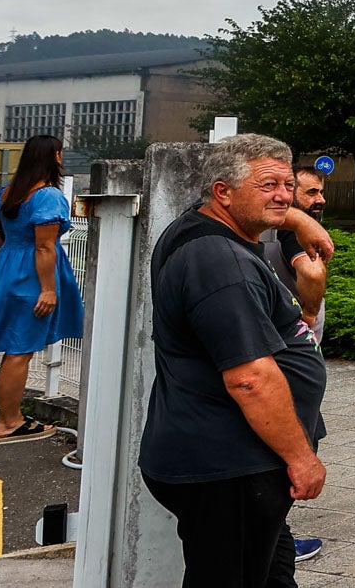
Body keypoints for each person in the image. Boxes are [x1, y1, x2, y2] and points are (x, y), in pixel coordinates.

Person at [140, 134, 329, 588]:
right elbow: (251, 379)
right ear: (223, 192)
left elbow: (263, 200)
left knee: (272, 573)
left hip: (237, 462)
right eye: (269, 185)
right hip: (229, 468)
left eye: (288, 184)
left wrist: (298, 220)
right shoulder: (220, 261)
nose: (283, 194)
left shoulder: (202, 227)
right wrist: (302, 459)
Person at [0, 135, 84, 445]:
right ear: (56, 157)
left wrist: (13, 246)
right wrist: (48, 290)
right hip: (33, 278)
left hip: (8, 272)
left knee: (15, 349)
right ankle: (9, 423)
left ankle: (10, 418)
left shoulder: (10, 192)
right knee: (20, 353)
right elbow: (45, 246)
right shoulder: (48, 196)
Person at [262, 165, 328, 564]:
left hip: (274, 359)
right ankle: (277, 541)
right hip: (286, 366)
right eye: (311, 193)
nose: (319, 200)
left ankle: (275, 540)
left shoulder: (257, 233)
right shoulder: (289, 234)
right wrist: (308, 312)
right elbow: (310, 270)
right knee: (294, 450)